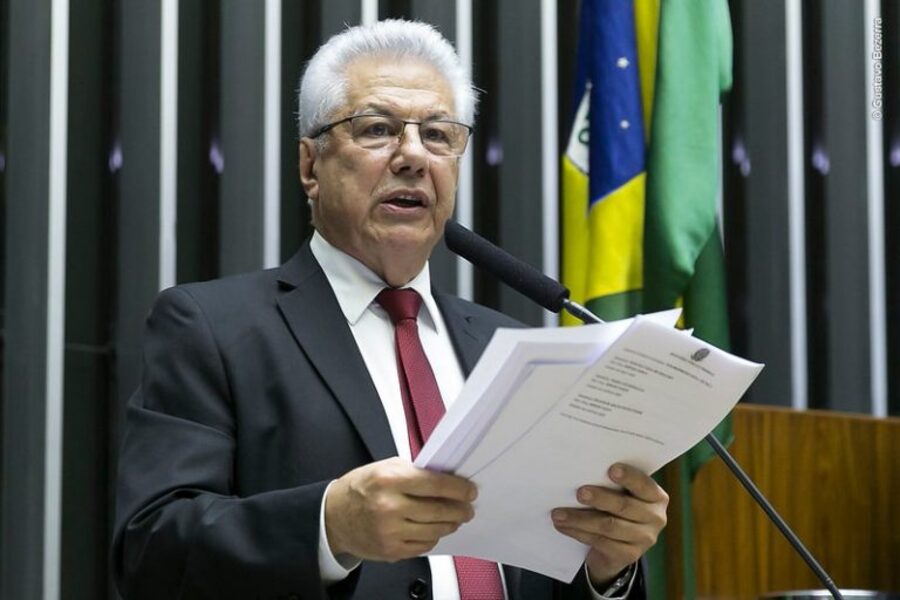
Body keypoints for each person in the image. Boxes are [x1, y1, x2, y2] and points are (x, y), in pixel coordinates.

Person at [112, 19, 668, 600]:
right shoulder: (213, 328)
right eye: (377, 129)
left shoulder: (508, 347)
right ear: (311, 166)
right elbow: (150, 552)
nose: (412, 156)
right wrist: (330, 525)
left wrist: (608, 567)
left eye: (438, 135)